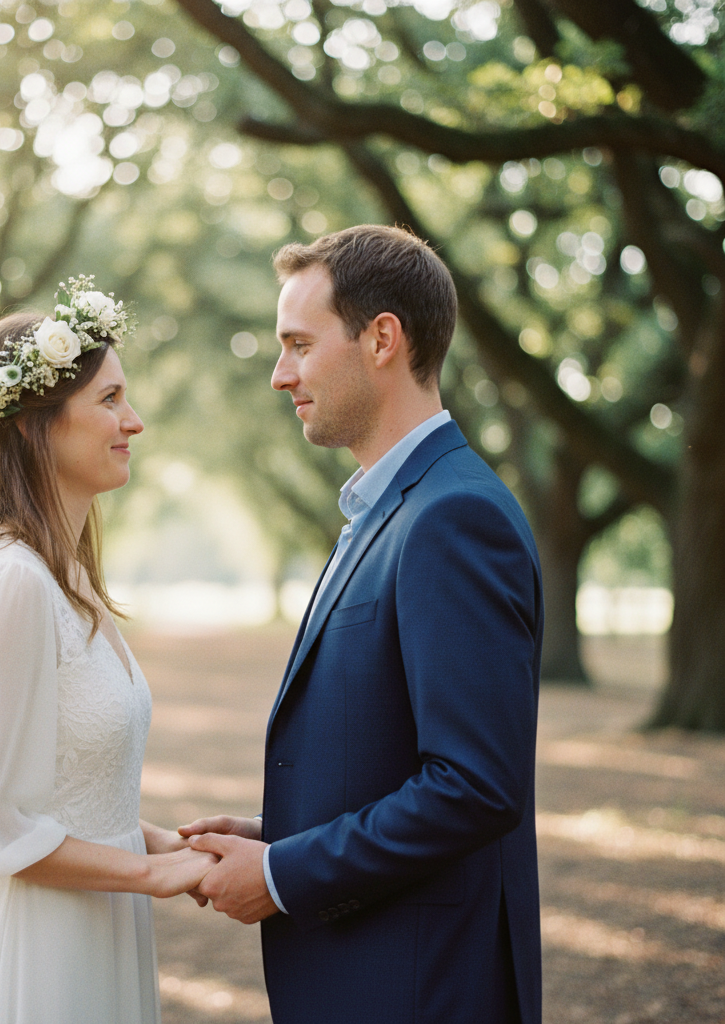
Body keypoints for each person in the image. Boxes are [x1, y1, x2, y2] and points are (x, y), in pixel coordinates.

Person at [180, 227, 543, 1024]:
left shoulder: (454, 518)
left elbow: (475, 786)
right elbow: (395, 749)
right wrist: (281, 834)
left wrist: (283, 876)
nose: (281, 376)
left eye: (299, 345)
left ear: (382, 338)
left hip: (418, 990)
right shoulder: (392, 508)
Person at [0, 278, 216, 1024]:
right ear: (31, 425)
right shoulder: (8, 581)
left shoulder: (65, 577)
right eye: (110, 399)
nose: (134, 421)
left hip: (96, 927)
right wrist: (150, 875)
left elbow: (67, 793)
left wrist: (174, 844)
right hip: (31, 949)